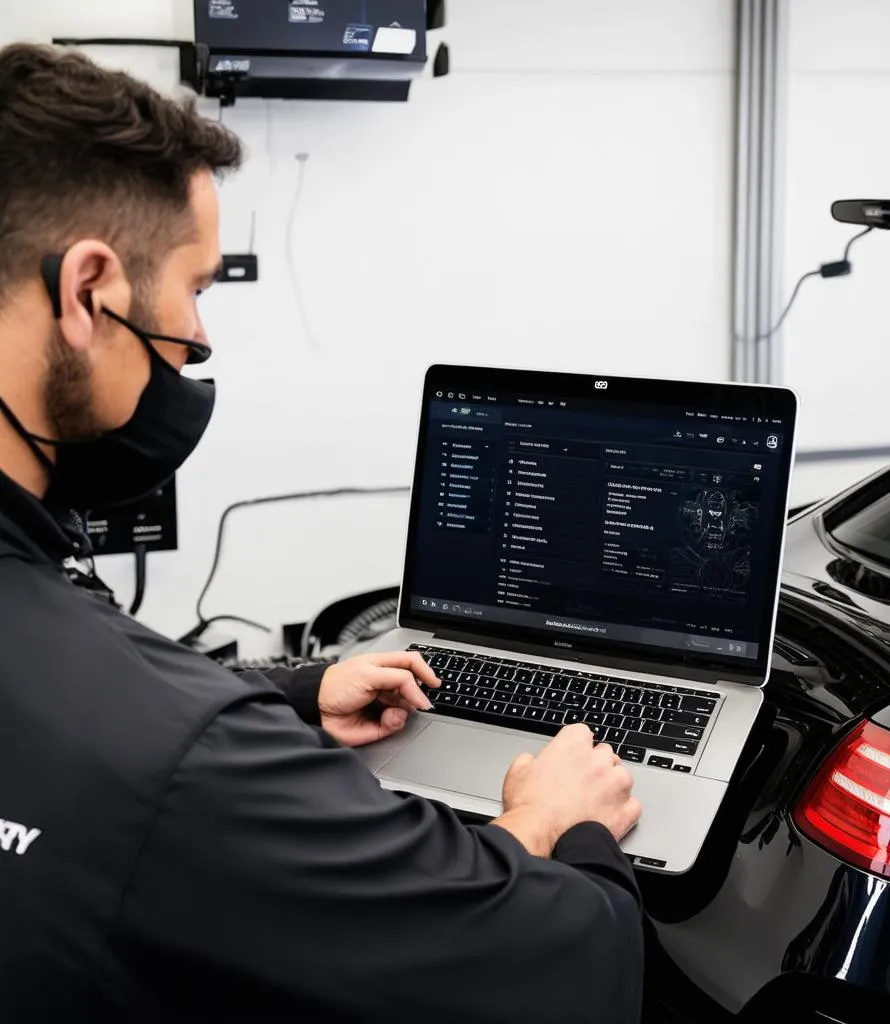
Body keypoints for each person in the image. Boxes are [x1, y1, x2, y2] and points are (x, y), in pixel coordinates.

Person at [0, 43, 645, 1022]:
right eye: (196, 285)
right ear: (89, 292)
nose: (199, 337)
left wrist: (294, 694)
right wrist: (554, 823)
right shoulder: (182, 756)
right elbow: (551, 968)